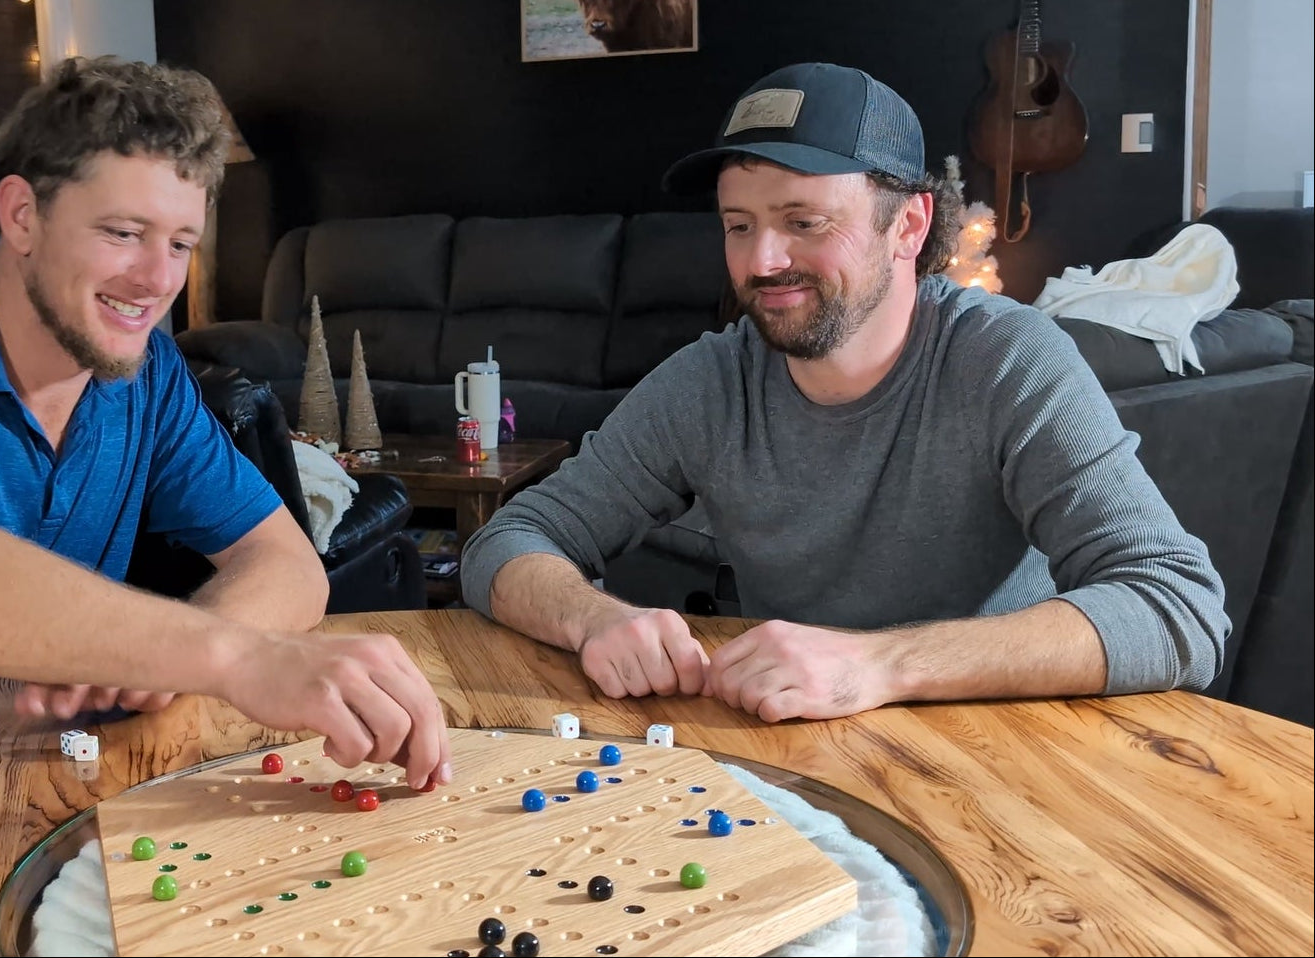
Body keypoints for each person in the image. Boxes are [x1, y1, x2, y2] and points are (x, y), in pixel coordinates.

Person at [0, 57, 450, 788]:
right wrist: (230, 657)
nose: (159, 279)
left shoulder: (147, 377)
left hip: (23, 787)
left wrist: (162, 658)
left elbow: (287, 565)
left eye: (180, 243)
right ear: (22, 215)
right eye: (124, 232)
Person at [460, 62, 1228, 723]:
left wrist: (877, 666)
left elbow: (1176, 607)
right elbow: (508, 540)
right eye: (737, 225)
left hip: (996, 750)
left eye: (803, 221)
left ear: (909, 226)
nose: (761, 261)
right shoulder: (709, 381)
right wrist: (594, 619)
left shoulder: (1005, 360)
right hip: (790, 753)